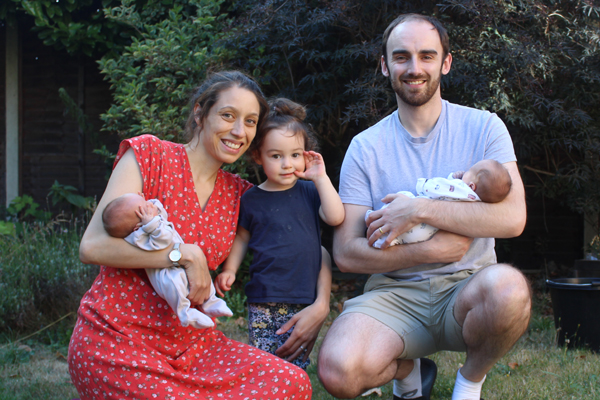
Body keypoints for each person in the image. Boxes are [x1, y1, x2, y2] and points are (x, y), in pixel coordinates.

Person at [317, 14, 531, 400]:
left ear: (445, 63)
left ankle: (469, 382)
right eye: (402, 57)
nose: (414, 68)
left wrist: (419, 210)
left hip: (467, 289)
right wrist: (429, 250)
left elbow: (513, 218)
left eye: (427, 56)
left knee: (510, 289)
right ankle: (408, 367)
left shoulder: (485, 128)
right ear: (385, 65)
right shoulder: (365, 148)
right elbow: (346, 253)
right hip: (393, 295)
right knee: (339, 373)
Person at [69, 71, 312, 399]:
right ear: (200, 112)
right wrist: (183, 254)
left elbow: (305, 239)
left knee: (291, 382)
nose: (239, 131)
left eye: (251, 121)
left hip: (195, 349)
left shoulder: (243, 195)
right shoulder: (148, 155)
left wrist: (322, 302)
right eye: (228, 116)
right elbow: (92, 246)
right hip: (118, 337)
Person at [215, 98, 345, 370]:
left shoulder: (310, 191)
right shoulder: (252, 199)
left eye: (295, 155)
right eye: (276, 156)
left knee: (294, 360)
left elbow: (335, 217)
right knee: (264, 363)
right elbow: (242, 238)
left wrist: (321, 178)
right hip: (264, 296)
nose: (287, 164)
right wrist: (230, 269)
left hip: (302, 296)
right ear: (258, 156)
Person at [102, 192, 233, 329]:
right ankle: (185, 313)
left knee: (203, 276)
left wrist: (147, 206)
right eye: (144, 208)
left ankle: (211, 302)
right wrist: (151, 224)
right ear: (137, 226)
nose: (150, 206)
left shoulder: (151, 220)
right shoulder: (139, 237)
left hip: (179, 263)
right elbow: (164, 240)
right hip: (166, 274)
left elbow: (161, 211)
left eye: (145, 200)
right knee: (176, 287)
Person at [368, 159, 512, 248]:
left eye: (469, 171)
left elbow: (439, 188)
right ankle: (386, 241)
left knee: (405, 197)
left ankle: (374, 217)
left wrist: (424, 185)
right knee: (405, 236)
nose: (465, 172)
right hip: (427, 232)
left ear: (472, 186)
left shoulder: (461, 188)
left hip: (421, 219)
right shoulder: (475, 202)